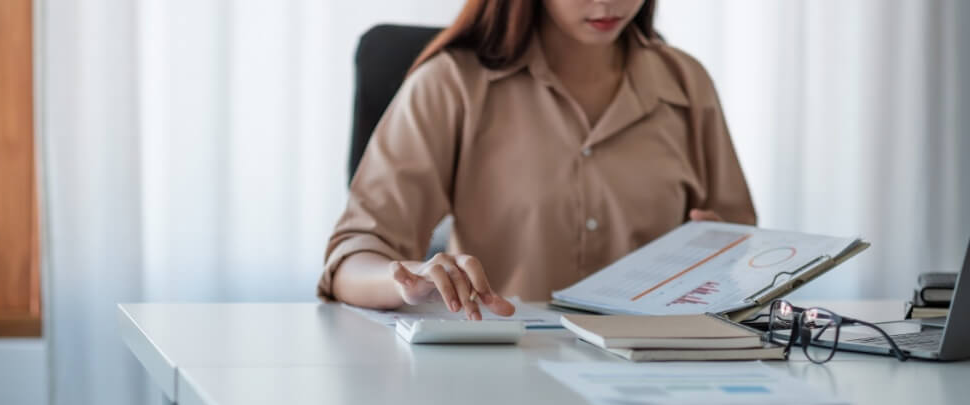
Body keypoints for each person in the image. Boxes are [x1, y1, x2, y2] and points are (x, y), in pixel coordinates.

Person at [318, 0, 756, 320]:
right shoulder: (451, 84)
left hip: (656, 375)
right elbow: (350, 262)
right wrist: (412, 279)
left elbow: (750, 259)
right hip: (507, 370)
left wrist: (719, 261)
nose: (608, 3)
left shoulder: (686, 81)